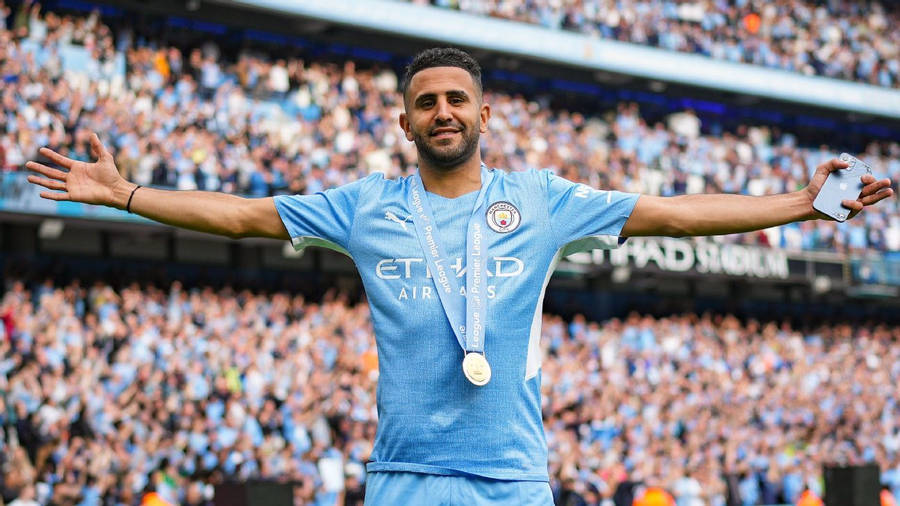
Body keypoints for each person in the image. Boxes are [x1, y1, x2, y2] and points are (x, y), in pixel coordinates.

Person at [25, 47, 893, 505]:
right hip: (402, 476)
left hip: (513, 479)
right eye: (426, 102)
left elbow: (671, 212)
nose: (443, 111)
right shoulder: (364, 206)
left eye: (457, 99)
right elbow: (247, 214)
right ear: (404, 122)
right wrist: (128, 193)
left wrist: (799, 203)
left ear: (485, 113)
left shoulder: (543, 201)